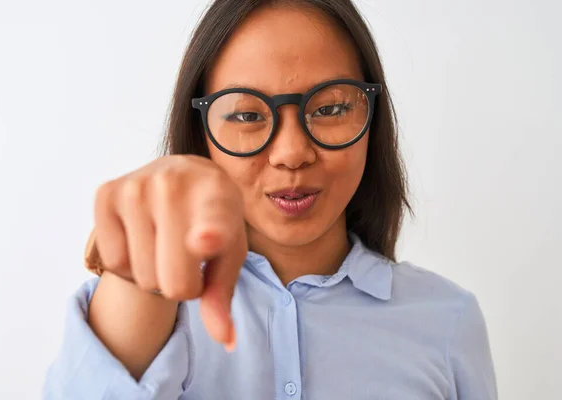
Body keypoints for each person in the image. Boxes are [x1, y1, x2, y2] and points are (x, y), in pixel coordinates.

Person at [42, 0, 497, 398]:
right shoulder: (148, 301)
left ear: (372, 120)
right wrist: (142, 270)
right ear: (202, 137)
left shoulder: (447, 320)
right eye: (245, 114)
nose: (292, 154)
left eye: (332, 108)